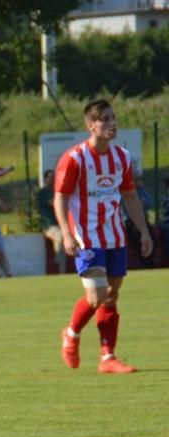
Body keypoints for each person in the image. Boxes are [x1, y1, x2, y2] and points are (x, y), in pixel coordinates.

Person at [54, 98, 153, 374]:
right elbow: (60, 198)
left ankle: (107, 358)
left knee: (112, 296)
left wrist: (143, 231)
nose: (112, 124)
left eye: (113, 118)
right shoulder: (74, 159)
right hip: (86, 236)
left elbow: (130, 196)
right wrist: (66, 233)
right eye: (105, 119)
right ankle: (71, 334)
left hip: (115, 236)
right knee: (97, 294)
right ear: (91, 126)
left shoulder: (122, 157)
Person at [38, 169, 65, 274]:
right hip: (49, 226)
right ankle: (60, 270)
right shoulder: (43, 192)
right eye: (50, 177)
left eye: (54, 176)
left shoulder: (57, 191)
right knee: (60, 236)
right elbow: (54, 204)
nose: (53, 179)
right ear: (45, 180)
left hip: (60, 225)